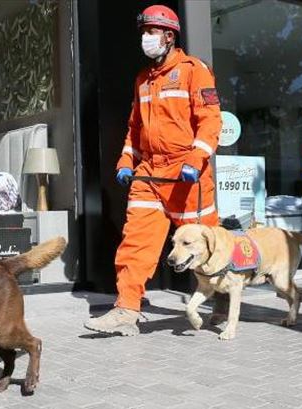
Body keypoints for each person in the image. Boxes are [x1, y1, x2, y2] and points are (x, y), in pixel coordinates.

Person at [85, 5, 222, 336]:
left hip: (186, 173)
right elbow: (135, 129)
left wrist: (195, 159)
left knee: (205, 246)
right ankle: (126, 310)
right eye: (143, 32)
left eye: (151, 32)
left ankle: (221, 302)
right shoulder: (143, 79)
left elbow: (210, 121)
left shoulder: (194, 71)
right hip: (149, 173)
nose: (145, 38)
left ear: (169, 36)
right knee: (136, 243)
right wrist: (125, 162)